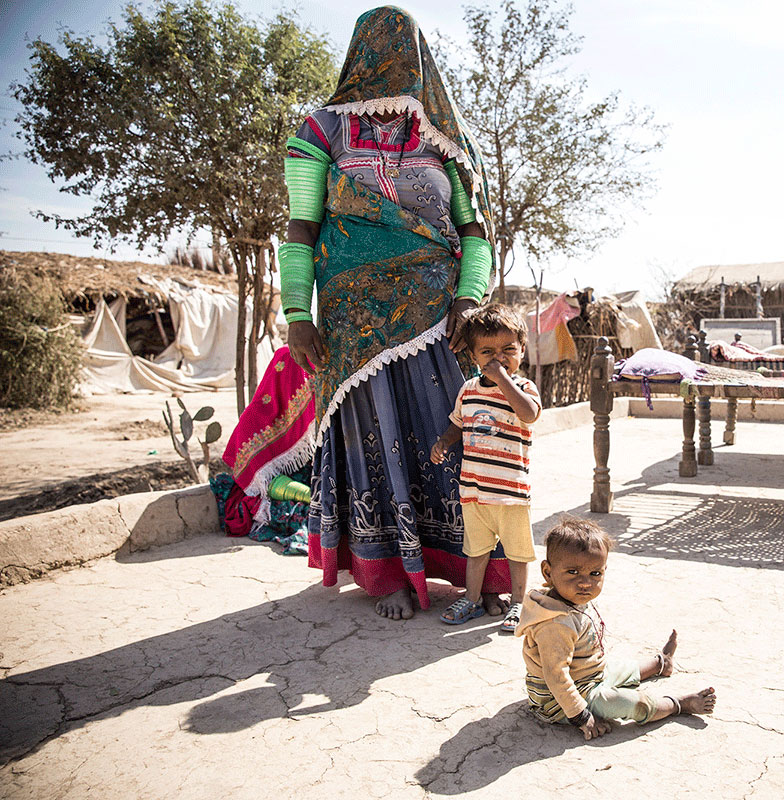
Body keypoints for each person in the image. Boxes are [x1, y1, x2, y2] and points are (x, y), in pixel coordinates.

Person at [278, 6, 511, 619]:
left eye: (400, 53)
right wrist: (296, 312)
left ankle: (477, 571)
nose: (389, 66)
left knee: (456, 436)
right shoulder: (322, 130)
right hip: (352, 325)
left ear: (417, 61)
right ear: (359, 57)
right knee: (372, 438)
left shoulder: (444, 137)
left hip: (438, 320)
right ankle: (390, 574)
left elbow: (475, 232)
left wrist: (469, 298)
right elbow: (301, 227)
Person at [515, 517, 717, 740]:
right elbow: (556, 677)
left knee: (622, 667)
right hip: (557, 701)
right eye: (573, 572)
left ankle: (661, 663)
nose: (585, 583)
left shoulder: (569, 596)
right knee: (631, 703)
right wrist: (581, 716)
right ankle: (677, 704)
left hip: (589, 674)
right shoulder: (555, 625)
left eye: (595, 574)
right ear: (547, 572)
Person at [431, 304, 541, 633]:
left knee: (517, 552)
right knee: (476, 551)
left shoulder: (524, 388)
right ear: (474, 356)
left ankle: (519, 602)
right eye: (488, 352)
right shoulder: (468, 390)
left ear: (522, 351)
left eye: (508, 350)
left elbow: (529, 414)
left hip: (510, 493)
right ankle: (472, 598)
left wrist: (502, 379)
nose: (499, 358)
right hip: (474, 490)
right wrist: (444, 441)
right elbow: (458, 423)